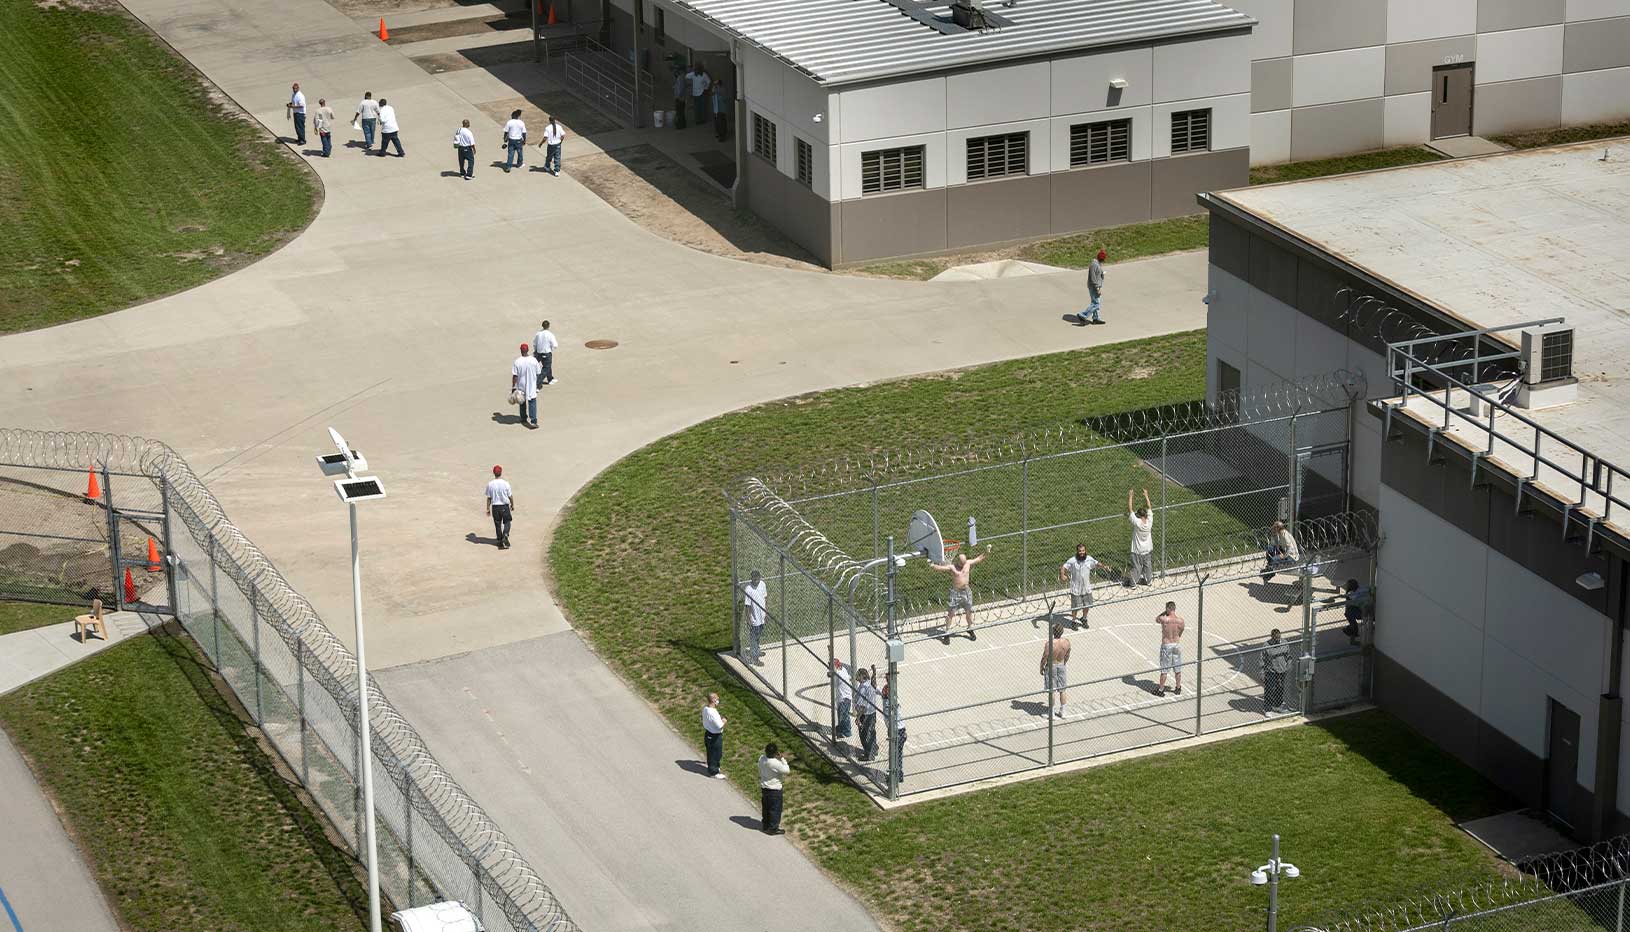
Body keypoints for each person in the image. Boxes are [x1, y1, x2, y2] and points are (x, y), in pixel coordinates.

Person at [929, 544, 991, 644]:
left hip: (966, 592)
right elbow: (940, 568)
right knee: (951, 614)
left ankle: (970, 628)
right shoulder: (952, 567)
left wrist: (987, 551)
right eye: (961, 564)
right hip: (956, 593)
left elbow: (979, 558)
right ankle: (947, 632)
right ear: (958, 562)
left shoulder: (968, 563)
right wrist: (932, 565)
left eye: (964, 563)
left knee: (969, 611)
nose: (963, 566)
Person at [1059, 543, 1100, 629]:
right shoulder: (1072, 561)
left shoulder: (1089, 559)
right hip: (1076, 589)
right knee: (1075, 607)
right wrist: (1062, 576)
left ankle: (1084, 619)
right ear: (1077, 551)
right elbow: (1063, 567)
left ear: (1085, 551)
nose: (1082, 552)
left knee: (1087, 605)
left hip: (1086, 588)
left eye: (1083, 551)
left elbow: (1096, 563)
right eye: (1080, 551)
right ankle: (1073, 621)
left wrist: (1104, 567)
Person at [1040, 621, 1071, 718]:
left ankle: (1052, 712)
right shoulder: (1066, 642)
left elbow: (1045, 656)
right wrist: (1064, 663)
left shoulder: (1049, 643)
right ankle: (1063, 711)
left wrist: (1042, 666)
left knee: (1052, 690)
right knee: (1062, 689)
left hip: (1051, 666)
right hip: (1061, 664)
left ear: (1053, 632)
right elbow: (1067, 655)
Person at [1330, 578, 1373, 646]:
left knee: (1354, 624)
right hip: (1356, 610)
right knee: (1354, 624)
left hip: (1356, 610)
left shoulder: (1351, 594)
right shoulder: (1363, 589)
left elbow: (1350, 600)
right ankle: (1352, 635)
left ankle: (1350, 632)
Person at [757, 743, 789, 835]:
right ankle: (773, 828)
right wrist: (782, 759)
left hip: (765, 788)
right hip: (774, 790)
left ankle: (765, 824)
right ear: (775, 753)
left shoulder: (761, 759)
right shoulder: (775, 763)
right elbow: (787, 770)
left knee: (766, 808)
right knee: (775, 809)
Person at [1156, 601, 1184, 696]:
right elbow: (1180, 632)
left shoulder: (1164, 619)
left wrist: (1165, 612)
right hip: (1176, 644)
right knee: (1177, 667)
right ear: (1175, 609)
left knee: (1164, 669)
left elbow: (1156, 619)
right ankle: (1178, 687)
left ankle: (1161, 689)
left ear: (1168, 609)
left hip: (1167, 644)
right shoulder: (1180, 620)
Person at [511, 343, 542, 428]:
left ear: (521, 350)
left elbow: (515, 375)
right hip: (531, 385)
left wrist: (513, 387)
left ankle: (523, 418)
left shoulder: (517, 361)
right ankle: (533, 421)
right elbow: (538, 372)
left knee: (522, 402)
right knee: (532, 402)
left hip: (521, 386)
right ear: (528, 350)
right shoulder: (533, 360)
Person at [1127, 489, 1154, 586]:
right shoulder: (1150, 522)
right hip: (1147, 549)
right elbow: (1149, 507)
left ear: (1138, 515)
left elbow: (1130, 510)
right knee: (1148, 566)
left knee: (1136, 567)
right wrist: (1146, 495)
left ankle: (1133, 583)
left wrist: (1130, 496)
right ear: (1146, 515)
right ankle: (1149, 581)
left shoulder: (1137, 523)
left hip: (1137, 550)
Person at [1262, 628, 1291, 714]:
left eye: (1279, 638)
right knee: (1269, 689)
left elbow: (1288, 655)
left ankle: (1277, 706)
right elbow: (1262, 659)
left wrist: (1288, 664)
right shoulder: (1266, 645)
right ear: (1272, 637)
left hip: (1282, 670)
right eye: (1276, 639)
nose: (1278, 640)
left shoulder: (1285, 642)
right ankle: (1267, 709)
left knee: (1280, 688)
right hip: (1270, 670)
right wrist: (1262, 673)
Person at [855, 667, 881, 761]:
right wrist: (874, 672)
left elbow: (862, 706)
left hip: (865, 715)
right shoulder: (870, 684)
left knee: (864, 735)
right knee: (872, 732)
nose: (856, 676)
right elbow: (874, 680)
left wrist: (858, 718)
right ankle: (874, 748)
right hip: (872, 713)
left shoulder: (863, 688)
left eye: (858, 674)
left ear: (862, 676)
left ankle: (869, 754)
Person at [742, 569, 767, 665]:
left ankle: (757, 650)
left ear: (760, 578)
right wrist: (748, 618)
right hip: (754, 618)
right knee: (754, 637)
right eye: (754, 579)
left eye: (757, 578)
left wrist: (766, 613)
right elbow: (747, 605)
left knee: (759, 635)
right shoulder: (748, 589)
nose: (756, 580)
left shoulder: (763, 585)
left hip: (762, 616)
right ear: (751, 578)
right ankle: (754, 658)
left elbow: (765, 598)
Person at [484, 465, 513, 549]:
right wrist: (512, 504)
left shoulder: (490, 484)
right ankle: (505, 535)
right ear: (501, 472)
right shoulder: (505, 483)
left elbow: (489, 498)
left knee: (497, 524)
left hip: (495, 507)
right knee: (507, 522)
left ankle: (500, 541)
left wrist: (488, 509)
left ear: (494, 473)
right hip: (504, 506)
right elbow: (510, 496)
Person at [702, 693, 727, 779]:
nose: (718, 700)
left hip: (708, 734)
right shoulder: (712, 712)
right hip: (714, 736)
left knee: (711, 752)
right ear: (713, 700)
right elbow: (720, 726)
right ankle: (714, 772)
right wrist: (724, 721)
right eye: (717, 698)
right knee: (716, 753)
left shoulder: (705, 708)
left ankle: (714, 766)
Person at [1079, 249, 1107, 324]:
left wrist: (1102, 273)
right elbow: (1093, 278)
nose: (1103, 261)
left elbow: (1097, 274)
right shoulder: (1094, 265)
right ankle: (1083, 315)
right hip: (1094, 287)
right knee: (1096, 304)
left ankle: (1096, 318)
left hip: (1096, 286)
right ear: (1101, 259)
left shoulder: (1097, 264)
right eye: (1103, 259)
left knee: (1096, 302)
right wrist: (1097, 288)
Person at [831, 658, 853, 745]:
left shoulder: (838, 674)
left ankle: (847, 731)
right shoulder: (843, 669)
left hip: (844, 698)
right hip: (844, 697)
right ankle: (842, 728)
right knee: (841, 714)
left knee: (844, 715)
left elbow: (834, 680)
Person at [532, 320, 558, 385]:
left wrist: (535, 350)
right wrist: (551, 347)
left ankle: (550, 379)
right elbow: (555, 345)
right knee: (546, 368)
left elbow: (534, 343)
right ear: (549, 326)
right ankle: (537, 383)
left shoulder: (538, 333)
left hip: (538, 353)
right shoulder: (550, 334)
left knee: (547, 366)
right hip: (547, 353)